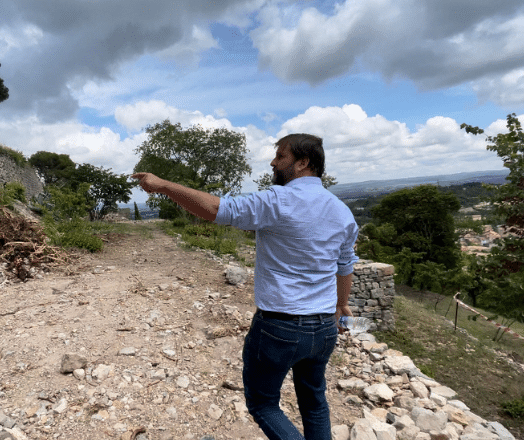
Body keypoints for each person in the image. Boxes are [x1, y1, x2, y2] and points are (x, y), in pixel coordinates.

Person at [131, 133, 359, 440]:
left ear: (303, 163)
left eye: (281, 156)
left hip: (280, 328)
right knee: (315, 401)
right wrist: (342, 307)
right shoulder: (342, 211)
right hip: (324, 329)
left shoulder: (277, 200)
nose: (273, 162)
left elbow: (215, 210)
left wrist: (164, 186)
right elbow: (345, 266)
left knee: (264, 404)